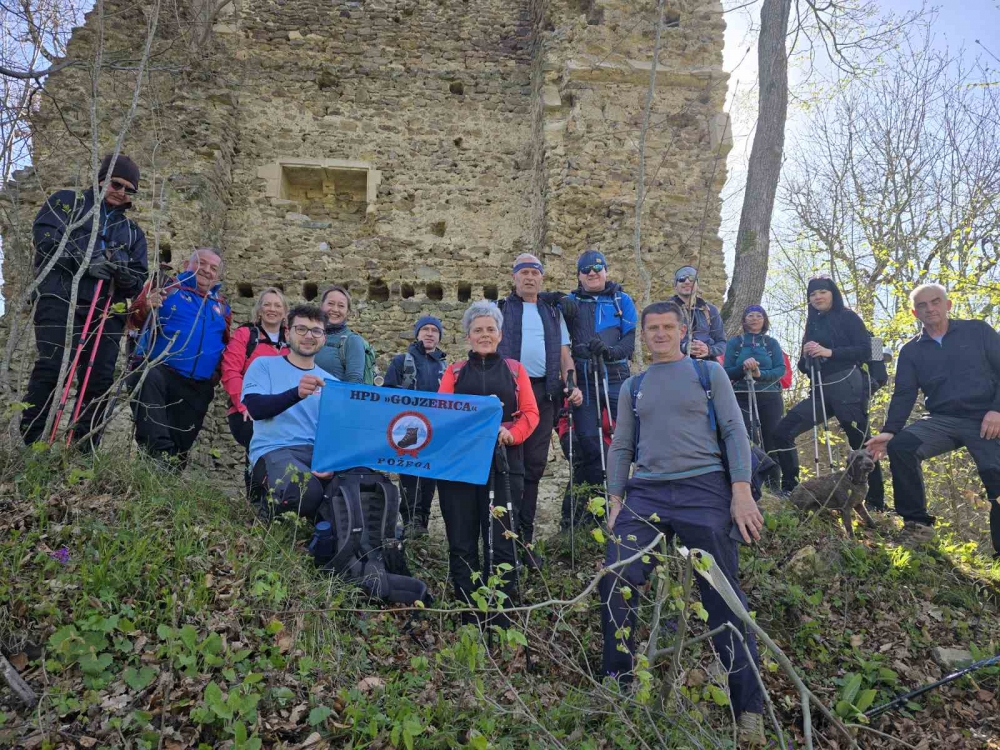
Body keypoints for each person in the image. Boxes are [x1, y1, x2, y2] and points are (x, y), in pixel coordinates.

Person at [600, 300, 765, 743]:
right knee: (617, 577)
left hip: (704, 488)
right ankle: (617, 687)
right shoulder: (633, 386)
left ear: (682, 329)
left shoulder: (707, 374)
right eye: (651, 328)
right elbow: (621, 446)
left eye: (667, 327)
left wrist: (742, 492)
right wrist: (615, 498)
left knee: (723, 597)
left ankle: (748, 709)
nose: (659, 334)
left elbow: (734, 430)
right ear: (644, 334)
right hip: (647, 492)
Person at [20, 153, 148, 447]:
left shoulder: (132, 232)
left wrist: (125, 277)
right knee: (52, 367)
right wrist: (85, 262)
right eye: (117, 184)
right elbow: (46, 240)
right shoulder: (69, 202)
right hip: (60, 297)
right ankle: (32, 442)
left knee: (99, 380)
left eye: (130, 189)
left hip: (107, 311)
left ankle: (82, 450)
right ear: (102, 179)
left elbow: (139, 278)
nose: (121, 192)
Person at [867, 284, 1000, 555]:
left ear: (947, 305)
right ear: (915, 313)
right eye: (923, 306)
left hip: (986, 418)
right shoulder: (911, 351)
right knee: (902, 447)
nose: (930, 309)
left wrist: (997, 410)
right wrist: (890, 431)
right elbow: (904, 394)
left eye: (935, 302)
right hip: (943, 419)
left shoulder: (977, 331)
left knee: (996, 477)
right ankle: (918, 526)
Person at [437, 301, 539, 621]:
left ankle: (502, 615)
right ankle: (471, 614)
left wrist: (513, 435)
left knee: (502, 541)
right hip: (460, 467)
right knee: (463, 540)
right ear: (468, 335)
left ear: (500, 334)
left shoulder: (515, 369)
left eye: (490, 329)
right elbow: (441, 414)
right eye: (478, 329)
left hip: (505, 463)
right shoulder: (454, 372)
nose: (484, 335)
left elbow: (531, 413)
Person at [496, 254, 583, 564]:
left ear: (542, 278)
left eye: (535, 272)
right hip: (510, 393)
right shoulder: (502, 310)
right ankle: (503, 540)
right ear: (515, 277)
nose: (530, 277)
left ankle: (525, 541)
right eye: (524, 272)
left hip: (544, 394)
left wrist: (570, 382)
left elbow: (563, 354)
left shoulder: (551, 311)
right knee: (508, 464)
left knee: (534, 465)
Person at [771, 275, 885, 507]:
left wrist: (828, 352)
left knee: (861, 442)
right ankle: (791, 488)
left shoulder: (849, 317)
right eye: (812, 294)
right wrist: (807, 357)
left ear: (833, 293)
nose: (817, 297)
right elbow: (805, 367)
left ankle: (875, 501)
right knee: (782, 431)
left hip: (849, 388)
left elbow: (867, 349)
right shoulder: (812, 324)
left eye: (822, 292)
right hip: (821, 391)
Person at [128, 248, 231, 466]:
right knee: (156, 438)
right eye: (201, 263)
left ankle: (162, 484)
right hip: (161, 373)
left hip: (197, 385)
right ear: (187, 264)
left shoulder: (221, 306)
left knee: (181, 446)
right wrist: (147, 306)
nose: (206, 271)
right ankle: (157, 464)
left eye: (213, 268)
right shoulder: (167, 287)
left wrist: (215, 375)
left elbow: (225, 344)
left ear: (218, 276)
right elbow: (132, 321)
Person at [242, 304, 336, 520]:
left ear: (323, 338)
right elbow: (256, 409)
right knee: (305, 491)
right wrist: (297, 393)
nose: (308, 336)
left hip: (316, 455)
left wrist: (330, 464)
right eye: (301, 329)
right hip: (274, 451)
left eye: (316, 331)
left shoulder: (333, 382)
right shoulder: (263, 365)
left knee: (356, 487)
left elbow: (337, 432)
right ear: (287, 332)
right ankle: (266, 511)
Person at [564, 250, 638, 499]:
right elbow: (559, 340)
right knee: (588, 439)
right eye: (586, 269)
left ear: (606, 270)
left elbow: (629, 343)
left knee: (630, 431)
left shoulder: (621, 300)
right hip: (584, 377)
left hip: (616, 375)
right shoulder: (571, 301)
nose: (592, 273)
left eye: (597, 267)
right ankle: (595, 501)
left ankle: (633, 492)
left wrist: (609, 351)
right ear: (579, 275)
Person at [383, 315, 448, 535]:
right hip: (408, 428)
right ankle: (409, 520)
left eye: (434, 330)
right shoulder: (401, 362)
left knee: (430, 477)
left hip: (435, 430)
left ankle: (422, 523)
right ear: (417, 333)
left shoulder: (445, 367)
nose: (430, 333)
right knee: (409, 476)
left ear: (439, 336)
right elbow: (389, 392)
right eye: (425, 329)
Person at [221, 288, 289, 491]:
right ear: (259, 310)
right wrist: (245, 406)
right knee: (258, 453)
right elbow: (230, 371)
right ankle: (256, 499)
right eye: (267, 304)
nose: (272, 309)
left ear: (285, 312)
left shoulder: (292, 340)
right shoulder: (245, 335)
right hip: (248, 411)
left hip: (282, 411)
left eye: (278, 305)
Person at [723, 304, 786, 488]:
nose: (755, 318)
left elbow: (780, 369)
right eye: (750, 315)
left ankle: (774, 485)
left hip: (769, 395)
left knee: (771, 437)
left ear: (764, 320)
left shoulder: (771, 343)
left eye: (759, 315)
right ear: (744, 320)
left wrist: (759, 374)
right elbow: (727, 371)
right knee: (747, 438)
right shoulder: (736, 343)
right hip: (741, 394)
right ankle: (751, 483)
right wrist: (743, 368)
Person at [669, 265, 727, 360]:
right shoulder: (666, 310)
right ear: (675, 285)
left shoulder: (710, 310)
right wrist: (684, 348)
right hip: (676, 363)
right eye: (682, 279)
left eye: (692, 278)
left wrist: (709, 350)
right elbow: (661, 341)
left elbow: (721, 342)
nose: (687, 282)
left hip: (707, 363)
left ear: (697, 284)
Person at [315, 285, 366, 383]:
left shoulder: (352, 340)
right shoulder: (309, 335)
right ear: (321, 306)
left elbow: (354, 382)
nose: (335, 309)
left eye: (341, 306)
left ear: (347, 312)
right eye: (330, 303)